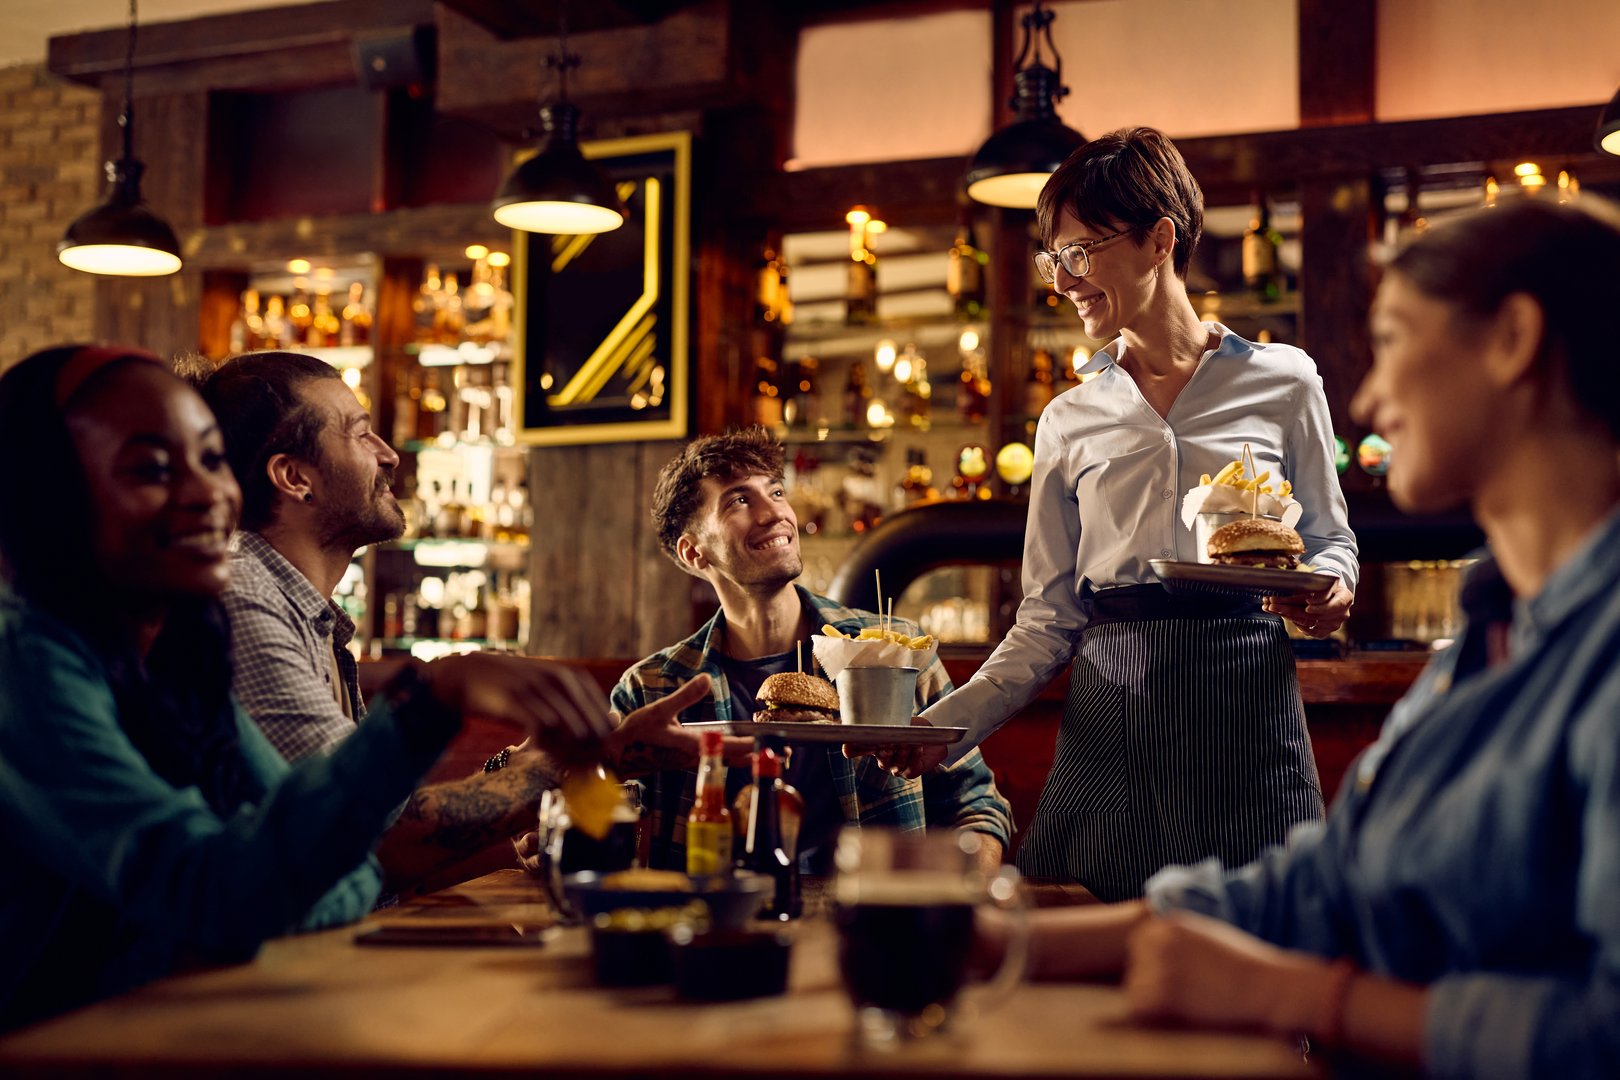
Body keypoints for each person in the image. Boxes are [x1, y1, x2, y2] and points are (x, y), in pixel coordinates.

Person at [983, 198, 1620, 1077]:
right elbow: (1329, 882)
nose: (1370, 396)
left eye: (1392, 340)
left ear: (1512, 339)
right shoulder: (1490, 637)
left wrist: (1303, 999)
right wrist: (997, 943)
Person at [0, 345, 618, 1030]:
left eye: (210, 460)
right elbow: (216, 889)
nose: (209, 493)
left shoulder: (178, 660)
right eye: (150, 469)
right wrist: (433, 700)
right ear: (48, 497)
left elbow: (332, 880)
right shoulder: (24, 666)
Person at [885, 128, 1358, 901]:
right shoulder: (1068, 419)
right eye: (1054, 260)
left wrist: (1331, 588)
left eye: (1081, 253)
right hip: (1114, 713)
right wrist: (944, 727)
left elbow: (1331, 542)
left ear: (1160, 238)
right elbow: (1046, 617)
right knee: (1077, 956)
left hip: (1246, 705)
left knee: (1259, 954)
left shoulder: (1287, 381)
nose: (1064, 280)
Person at [192, 351, 724, 893]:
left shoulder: (309, 615)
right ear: (294, 477)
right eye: (359, 435)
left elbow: (387, 835)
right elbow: (373, 839)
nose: (389, 455)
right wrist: (587, 761)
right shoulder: (245, 601)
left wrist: (512, 831)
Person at [613, 428, 1013, 876]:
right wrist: (545, 838)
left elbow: (976, 807)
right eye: (739, 501)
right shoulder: (652, 688)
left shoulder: (893, 650)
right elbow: (600, 813)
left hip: (868, 934)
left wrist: (962, 902)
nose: (775, 514)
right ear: (694, 553)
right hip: (715, 934)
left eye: (776, 491)